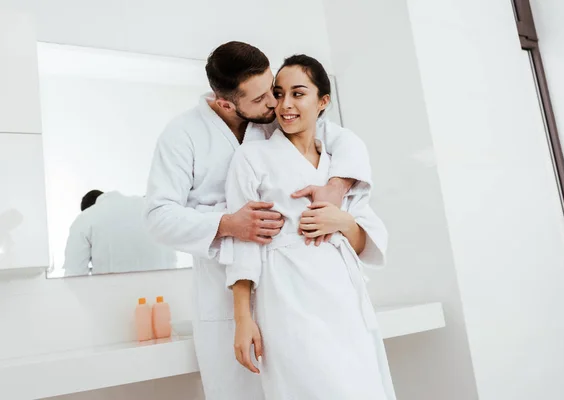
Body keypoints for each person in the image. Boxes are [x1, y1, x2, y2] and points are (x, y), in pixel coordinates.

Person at [145, 42, 374, 400]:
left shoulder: (271, 121)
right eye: (262, 98)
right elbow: (158, 216)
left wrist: (337, 184)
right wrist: (227, 224)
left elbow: (346, 142)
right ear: (225, 104)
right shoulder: (182, 136)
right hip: (227, 289)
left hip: (291, 294)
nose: (275, 103)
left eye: (274, 89)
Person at [226, 55, 396, 399]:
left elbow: (365, 244)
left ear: (323, 102)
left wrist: (342, 220)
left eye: (298, 94)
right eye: (279, 93)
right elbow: (243, 245)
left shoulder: (340, 170)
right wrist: (243, 319)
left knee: (358, 388)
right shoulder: (251, 158)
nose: (285, 104)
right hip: (287, 297)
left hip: (344, 301)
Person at [62, 190, 176, 276]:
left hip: (113, 297)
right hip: (164, 293)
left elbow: (74, 274)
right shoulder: (147, 206)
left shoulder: (85, 218)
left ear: (87, 208)